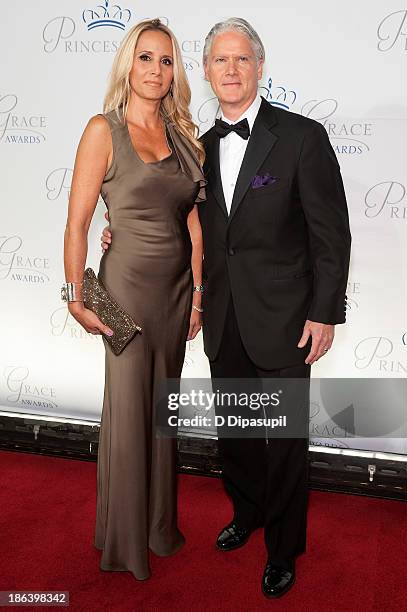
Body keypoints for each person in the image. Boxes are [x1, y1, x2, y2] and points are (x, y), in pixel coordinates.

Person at [102, 17, 351, 597]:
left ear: (260, 67)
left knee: (283, 438)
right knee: (236, 431)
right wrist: (119, 232)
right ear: (208, 72)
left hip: (288, 316)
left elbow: (330, 234)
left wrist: (324, 312)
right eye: (220, 61)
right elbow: (173, 217)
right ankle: (247, 514)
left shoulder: (302, 136)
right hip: (223, 315)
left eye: (242, 59)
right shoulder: (197, 147)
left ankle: (284, 548)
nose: (231, 70)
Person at [63, 18, 206, 581]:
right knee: (127, 415)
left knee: (161, 414)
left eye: (166, 61)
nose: (155, 70)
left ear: (175, 73)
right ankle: (123, 542)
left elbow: (194, 226)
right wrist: (75, 295)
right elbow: (77, 224)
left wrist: (197, 297)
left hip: (175, 295)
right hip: (122, 289)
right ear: (128, 64)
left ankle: (157, 528)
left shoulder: (181, 136)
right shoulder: (104, 128)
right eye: (145, 58)